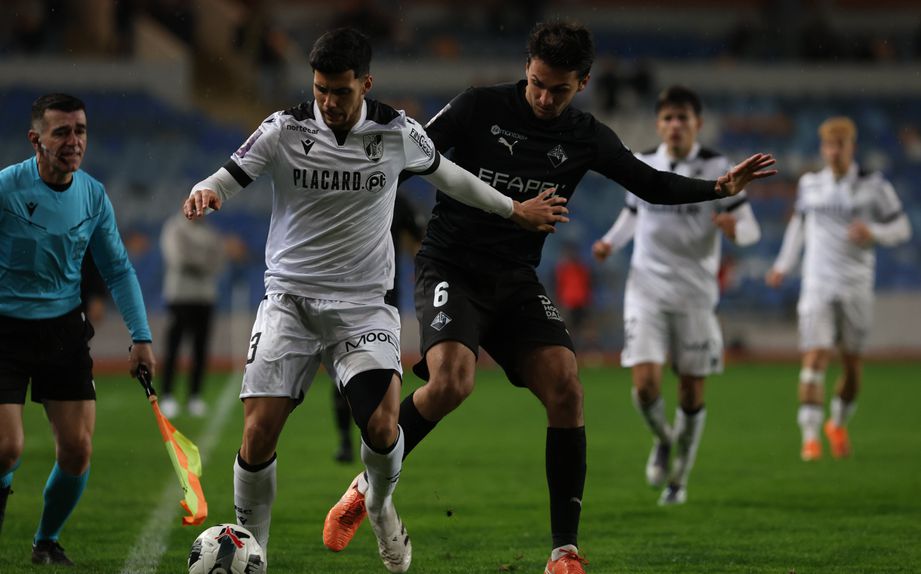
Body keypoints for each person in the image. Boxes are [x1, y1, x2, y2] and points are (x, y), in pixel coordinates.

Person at [323, 21, 776, 573]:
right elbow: (408, 159)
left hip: (514, 279)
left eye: (558, 89)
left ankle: (564, 551)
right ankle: (364, 487)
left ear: (582, 83)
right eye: (536, 82)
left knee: (567, 388)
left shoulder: (586, 136)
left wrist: (718, 189)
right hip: (452, 267)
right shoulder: (476, 106)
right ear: (527, 66)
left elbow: (650, 183)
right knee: (451, 382)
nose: (543, 97)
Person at [183, 28, 565, 572]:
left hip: (363, 304)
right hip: (289, 299)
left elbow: (453, 178)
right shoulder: (284, 128)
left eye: (340, 91)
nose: (329, 103)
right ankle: (253, 550)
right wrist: (207, 191)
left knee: (384, 428)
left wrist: (513, 209)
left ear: (365, 83)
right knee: (258, 430)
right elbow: (228, 174)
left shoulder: (397, 131)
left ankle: (380, 504)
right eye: (320, 90)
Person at [0, 93, 156, 566]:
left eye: (80, 130)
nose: (74, 141)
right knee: (6, 449)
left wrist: (141, 336)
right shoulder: (7, 189)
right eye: (61, 132)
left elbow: (118, 269)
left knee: (77, 451)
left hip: (64, 333)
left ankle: (46, 541)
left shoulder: (92, 194)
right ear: (36, 140)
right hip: (5, 331)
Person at [592, 85, 762, 506]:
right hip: (646, 288)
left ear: (697, 124)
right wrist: (610, 242)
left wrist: (735, 230)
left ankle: (679, 479)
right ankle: (663, 439)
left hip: (695, 295)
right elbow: (632, 213)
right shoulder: (645, 163)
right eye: (667, 118)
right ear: (658, 124)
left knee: (690, 393)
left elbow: (750, 226)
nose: (674, 125)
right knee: (646, 384)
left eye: (682, 118)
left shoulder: (719, 167)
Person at [766, 116, 911, 462]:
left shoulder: (874, 186)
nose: (832, 152)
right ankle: (810, 439)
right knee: (815, 356)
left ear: (852, 148)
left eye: (839, 145)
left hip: (856, 285)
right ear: (822, 148)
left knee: (852, 366)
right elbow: (798, 227)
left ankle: (837, 424)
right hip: (817, 283)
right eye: (828, 145)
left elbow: (902, 227)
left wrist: (875, 232)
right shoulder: (810, 184)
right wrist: (783, 265)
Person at [332, 191, 424, 464]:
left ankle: (376, 441)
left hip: (384, 299)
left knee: (382, 372)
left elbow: (417, 240)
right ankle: (348, 441)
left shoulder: (399, 197)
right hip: (343, 293)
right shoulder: (345, 187)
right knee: (343, 371)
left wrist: (423, 271)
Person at [158, 211, 227, 418]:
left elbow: (219, 260)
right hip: (179, 296)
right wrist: (204, 262)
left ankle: (195, 396)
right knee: (173, 347)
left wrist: (199, 261)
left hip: (205, 297)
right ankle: (168, 395)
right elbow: (178, 258)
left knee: (200, 349)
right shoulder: (174, 228)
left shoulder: (211, 233)